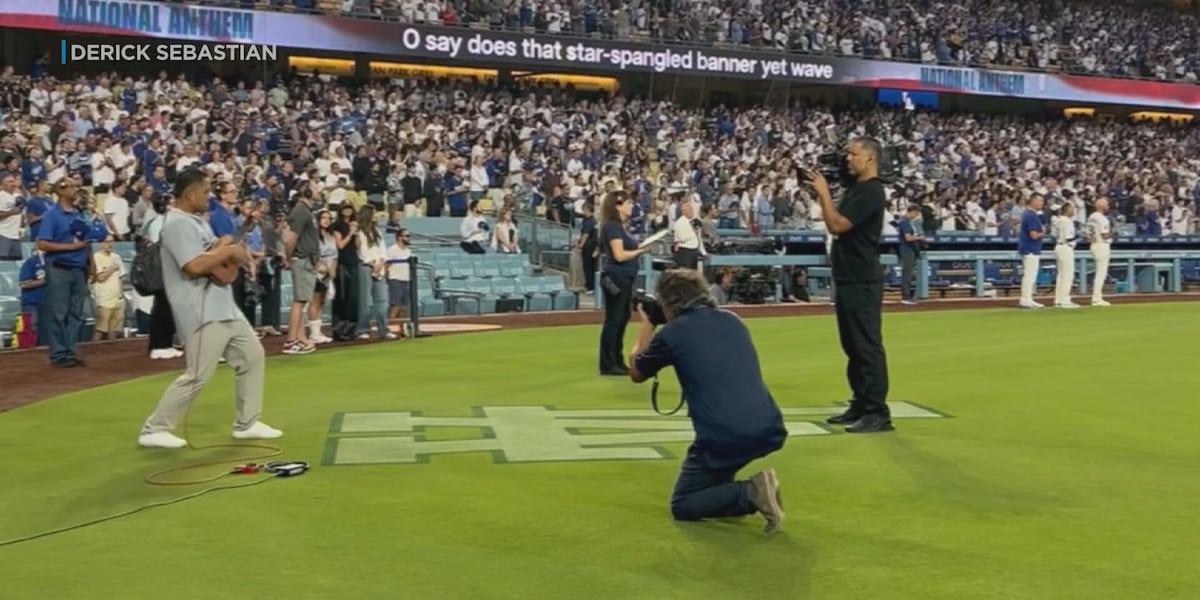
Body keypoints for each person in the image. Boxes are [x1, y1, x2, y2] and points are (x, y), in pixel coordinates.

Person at [628, 268, 787, 533]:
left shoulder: (673, 333)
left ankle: (751, 492)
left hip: (723, 436)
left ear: (668, 302)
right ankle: (738, 494)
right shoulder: (732, 319)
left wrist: (646, 324)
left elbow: (636, 371)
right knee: (712, 477)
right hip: (767, 424)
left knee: (684, 504)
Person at [137, 168, 282, 449]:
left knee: (252, 356)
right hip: (199, 309)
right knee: (198, 374)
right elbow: (192, 266)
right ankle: (154, 428)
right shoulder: (177, 223)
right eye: (204, 192)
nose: (209, 196)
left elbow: (211, 253)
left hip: (222, 305)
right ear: (190, 194)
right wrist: (228, 252)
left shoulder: (195, 221)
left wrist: (224, 246)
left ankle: (247, 423)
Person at [807, 138, 893, 433]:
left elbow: (838, 225)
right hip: (848, 276)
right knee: (853, 346)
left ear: (869, 159)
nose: (847, 158)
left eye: (853, 154)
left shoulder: (872, 190)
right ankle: (860, 402)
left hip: (862, 278)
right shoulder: (858, 188)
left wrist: (823, 194)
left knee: (866, 346)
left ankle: (877, 411)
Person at [35, 179, 106, 368]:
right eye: (72, 186)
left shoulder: (79, 214)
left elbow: (87, 240)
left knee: (76, 314)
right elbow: (42, 243)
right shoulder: (52, 215)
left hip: (78, 268)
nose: (76, 189)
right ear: (61, 190)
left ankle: (69, 350)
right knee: (59, 313)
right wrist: (71, 247)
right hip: (59, 267)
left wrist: (91, 264)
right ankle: (59, 354)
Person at [597, 190, 650, 376]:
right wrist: (639, 252)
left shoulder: (619, 226)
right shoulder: (613, 227)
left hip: (623, 277)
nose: (631, 206)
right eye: (627, 203)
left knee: (622, 318)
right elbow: (619, 255)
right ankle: (608, 363)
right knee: (614, 320)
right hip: (616, 276)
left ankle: (615, 360)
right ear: (617, 205)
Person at [1017, 194, 1047, 309]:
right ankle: (1026, 299)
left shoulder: (1031, 214)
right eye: (1039, 201)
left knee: (1030, 275)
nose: (1041, 203)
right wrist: (1043, 233)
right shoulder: (1030, 215)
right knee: (1030, 275)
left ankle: (1027, 298)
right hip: (1030, 248)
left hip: (1029, 248)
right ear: (1033, 201)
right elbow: (1033, 235)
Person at [1087, 197, 1114, 307]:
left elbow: (1088, 235)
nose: (1108, 207)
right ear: (1103, 206)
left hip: (1093, 244)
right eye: (1107, 205)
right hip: (1102, 244)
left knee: (1098, 272)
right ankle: (1096, 298)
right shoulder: (1103, 218)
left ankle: (1096, 297)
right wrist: (1114, 231)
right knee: (1101, 273)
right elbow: (1105, 235)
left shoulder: (1091, 217)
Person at [1052, 203, 1080, 309]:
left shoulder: (1059, 219)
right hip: (1065, 247)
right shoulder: (1067, 221)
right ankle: (1065, 300)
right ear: (1067, 209)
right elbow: (1069, 238)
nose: (1073, 210)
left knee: (1061, 275)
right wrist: (1079, 235)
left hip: (1059, 246)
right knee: (1067, 275)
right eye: (1072, 208)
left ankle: (1058, 300)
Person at [897, 204, 924, 305]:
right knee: (907, 273)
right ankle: (905, 297)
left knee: (909, 273)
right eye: (916, 213)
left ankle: (908, 295)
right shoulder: (905, 222)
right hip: (906, 249)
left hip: (910, 249)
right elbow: (908, 238)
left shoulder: (908, 222)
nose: (917, 215)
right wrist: (919, 238)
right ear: (912, 211)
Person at [671, 199, 705, 269]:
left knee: (693, 274)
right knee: (685, 273)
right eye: (690, 210)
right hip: (685, 251)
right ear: (684, 211)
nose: (692, 211)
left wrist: (703, 251)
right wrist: (694, 233)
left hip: (694, 251)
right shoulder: (679, 223)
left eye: (692, 209)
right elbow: (682, 238)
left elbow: (699, 237)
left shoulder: (695, 221)